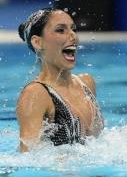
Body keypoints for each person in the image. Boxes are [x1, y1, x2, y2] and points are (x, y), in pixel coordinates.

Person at [16, 8, 104, 152]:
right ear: (37, 42)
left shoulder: (86, 83)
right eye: (61, 30)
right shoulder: (36, 93)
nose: (73, 36)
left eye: (73, 29)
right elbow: (28, 159)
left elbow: (96, 145)